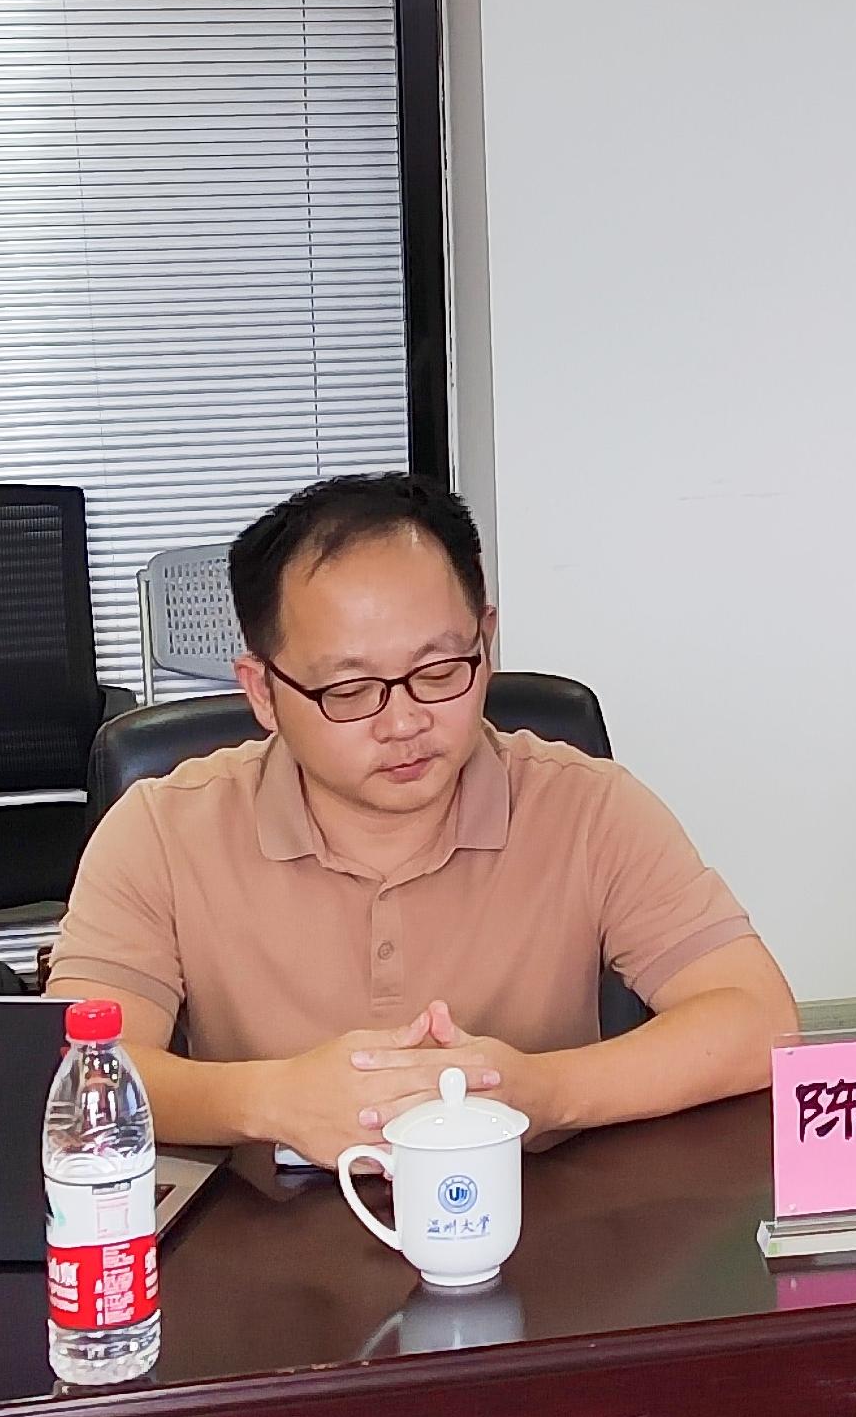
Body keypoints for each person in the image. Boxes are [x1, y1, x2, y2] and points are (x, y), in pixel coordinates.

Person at [49, 473, 799, 1162]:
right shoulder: (161, 830)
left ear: (486, 642)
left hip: (541, 1223)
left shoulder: (587, 806)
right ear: (263, 692)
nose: (405, 721)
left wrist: (542, 1091)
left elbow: (758, 1018)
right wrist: (270, 1100)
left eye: (440, 672)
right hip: (261, 1233)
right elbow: (79, 1075)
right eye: (350, 691)